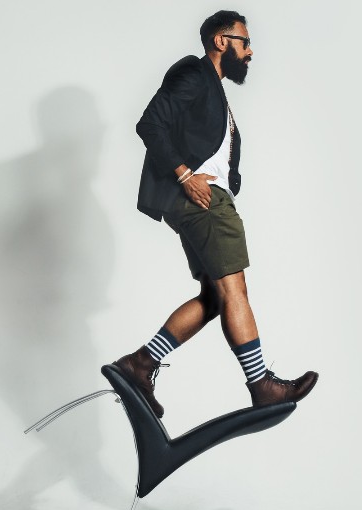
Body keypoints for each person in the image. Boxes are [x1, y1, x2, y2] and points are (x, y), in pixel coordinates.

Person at [113, 10, 318, 418]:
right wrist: (185, 175)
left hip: (202, 200)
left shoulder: (214, 89)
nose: (251, 51)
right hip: (203, 201)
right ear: (222, 41)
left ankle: (140, 364)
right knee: (234, 290)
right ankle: (262, 386)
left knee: (214, 298)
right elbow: (150, 124)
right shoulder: (194, 72)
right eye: (245, 42)